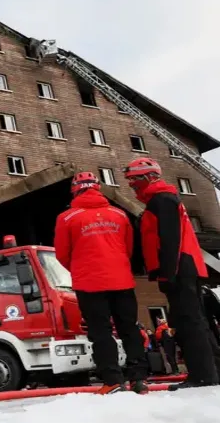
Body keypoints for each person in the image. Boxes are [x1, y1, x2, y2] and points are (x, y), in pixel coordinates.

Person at [125, 156, 220, 390]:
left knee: (189, 321)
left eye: (134, 180)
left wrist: (168, 273)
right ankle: (212, 371)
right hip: (183, 266)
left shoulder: (162, 200)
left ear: (149, 177)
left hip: (179, 267)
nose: (131, 185)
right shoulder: (161, 199)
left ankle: (203, 376)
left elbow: (170, 239)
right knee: (193, 320)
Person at [55, 171, 148, 394]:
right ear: (98, 187)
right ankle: (139, 380)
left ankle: (113, 380)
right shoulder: (119, 214)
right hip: (122, 281)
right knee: (129, 329)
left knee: (101, 331)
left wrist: (81, 268)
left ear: (75, 190)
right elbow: (128, 248)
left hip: (89, 284)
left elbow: (62, 254)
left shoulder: (66, 218)